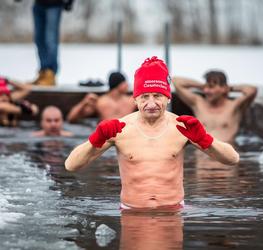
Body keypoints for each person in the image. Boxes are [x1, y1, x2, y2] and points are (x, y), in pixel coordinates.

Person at [65, 56, 239, 210]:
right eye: (145, 97)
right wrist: (95, 140)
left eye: (157, 96)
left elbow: (232, 159)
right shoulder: (120, 128)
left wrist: (206, 140)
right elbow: (71, 166)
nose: (151, 103)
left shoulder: (182, 127)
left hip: (173, 210)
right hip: (131, 210)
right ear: (135, 99)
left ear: (168, 97)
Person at [172, 71, 257, 143]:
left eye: (211, 87)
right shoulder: (198, 103)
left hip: (226, 154)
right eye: (205, 87)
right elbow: (176, 81)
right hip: (202, 154)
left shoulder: (234, 106)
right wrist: (202, 85)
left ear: (224, 88)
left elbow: (252, 89)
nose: (206, 91)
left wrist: (229, 88)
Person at [31, 0, 74, 86]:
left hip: (54, 4)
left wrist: (70, 1)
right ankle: (43, 72)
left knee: (50, 40)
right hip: (38, 3)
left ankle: (50, 73)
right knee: (39, 39)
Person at [67, 72, 136, 123]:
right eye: (125, 82)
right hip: (107, 136)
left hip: (127, 134)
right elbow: (71, 118)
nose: (127, 85)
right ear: (119, 84)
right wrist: (84, 102)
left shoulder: (132, 100)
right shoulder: (99, 102)